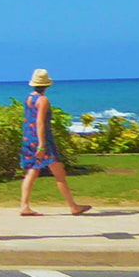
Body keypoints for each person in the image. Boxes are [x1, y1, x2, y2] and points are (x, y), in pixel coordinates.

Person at [20, 69, 91, 216]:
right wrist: (42, 144)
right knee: (59, 174)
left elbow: (30, 119)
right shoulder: (43, 100)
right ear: (46, 85)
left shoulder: (29, 98)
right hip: (42, 140)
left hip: (29, 138)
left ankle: (24, 205)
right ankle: (73, 206)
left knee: (32, 172)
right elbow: (40, 122)